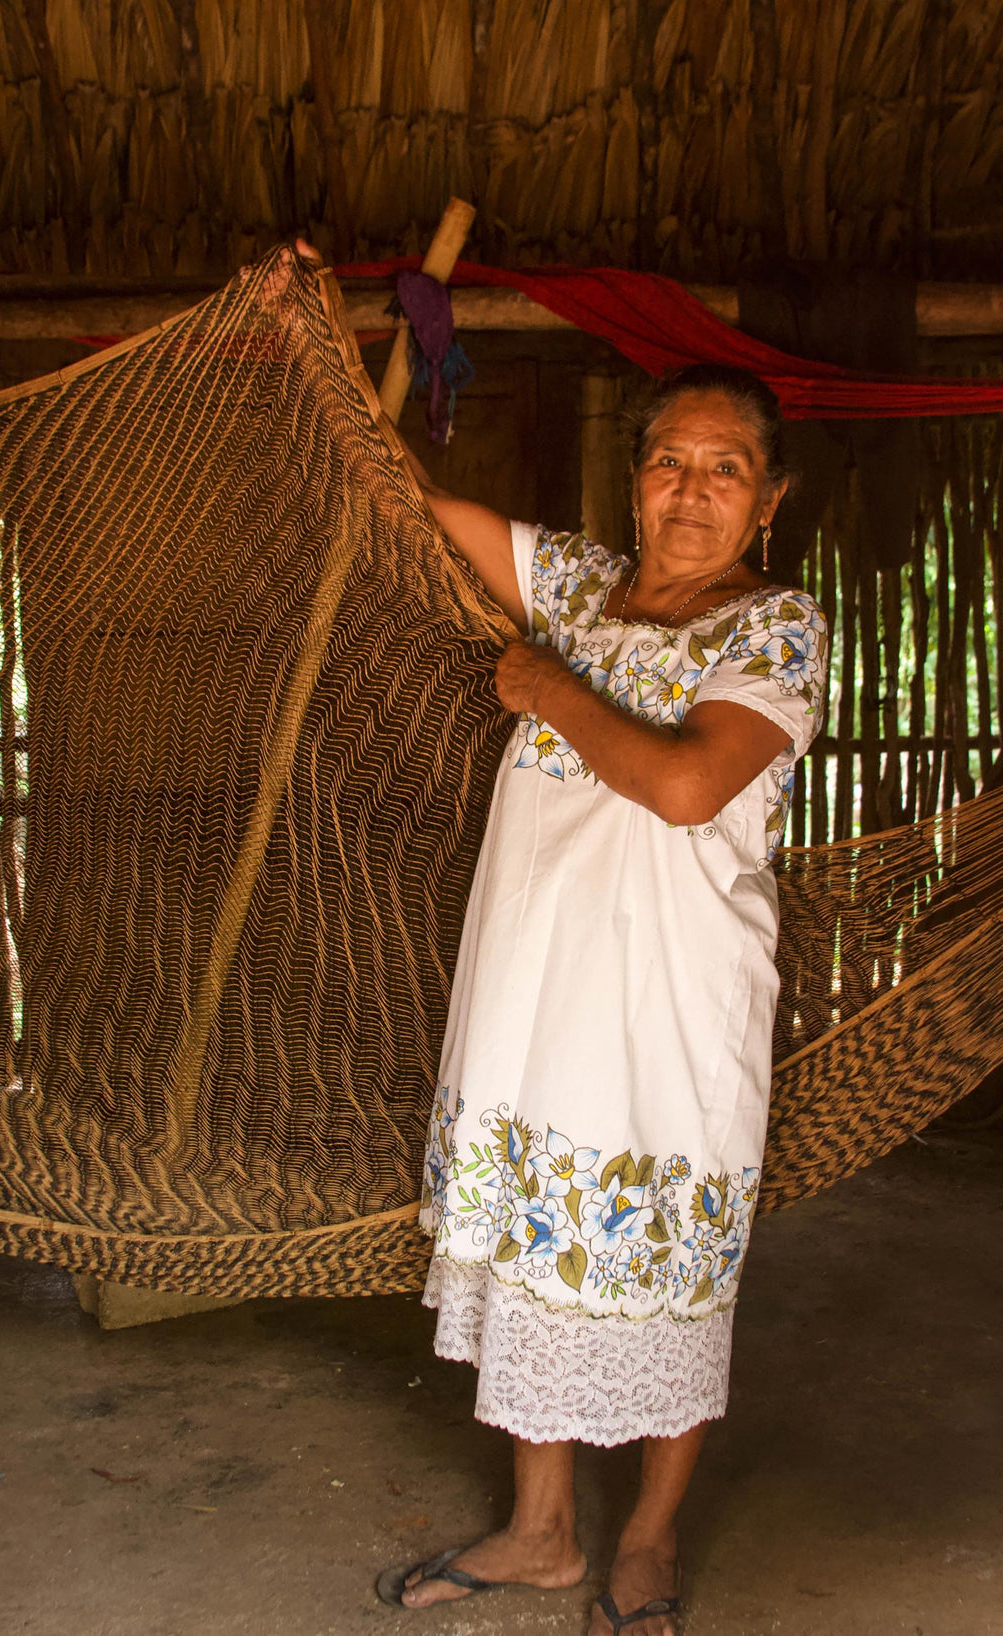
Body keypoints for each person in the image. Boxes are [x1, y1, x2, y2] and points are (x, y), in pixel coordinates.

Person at [375, 362, 829, 1636]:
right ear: (633, 480)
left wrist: (552, 689)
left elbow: (688, 788)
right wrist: (328, 364)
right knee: (536, 1237)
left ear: (769, 496)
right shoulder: (576, 583)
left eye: (724, 467)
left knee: (669, 1252)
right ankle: (539, 1533)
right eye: (668, 461)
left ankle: (645, 1538)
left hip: (670, 1002)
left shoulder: (771, 627)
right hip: (534, 986)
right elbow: (409, 505)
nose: (691, 490)